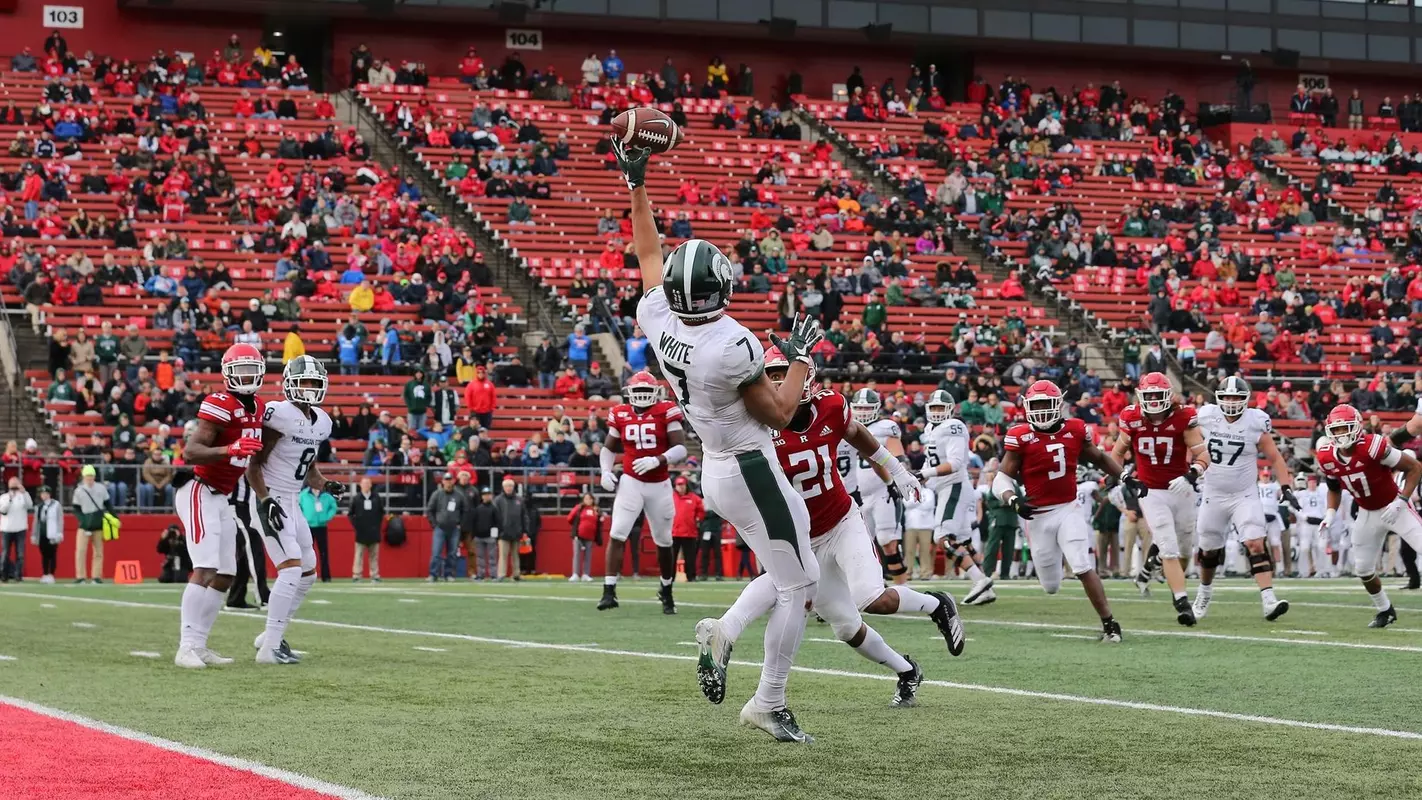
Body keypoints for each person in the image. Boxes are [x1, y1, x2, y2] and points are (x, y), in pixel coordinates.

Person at [615, 136, 820, 742]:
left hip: (717, 466)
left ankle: (726, 631)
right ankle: (769, 699)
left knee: (790, 568)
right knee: (802, 584)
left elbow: (648, 252)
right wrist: (802, 359)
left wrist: (637, 182)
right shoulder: (732, 345)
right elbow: (783, 414)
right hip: (751, 464)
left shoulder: (659, 320)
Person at [712, 346, 963, 709]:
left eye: (787, 374)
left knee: (871, 598)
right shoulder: (754, 426)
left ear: (806, 377)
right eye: (773, 376)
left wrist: (896, 470)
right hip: (801, 538)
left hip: (842, 521)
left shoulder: (830, 406)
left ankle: (936, 604)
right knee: (846, 627)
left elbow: (857, 433)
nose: (780, 383)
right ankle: (907, 670)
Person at [995, 380, 1129, 642]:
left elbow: (1100, 458)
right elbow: (1001, 479)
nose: (1043, 410)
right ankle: (1057, 582)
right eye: (1037, 405)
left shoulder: (1075, 429)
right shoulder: (1020, 435)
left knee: (1081, 564)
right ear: (1027, 406)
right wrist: (1013, 500)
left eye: (1047, 404)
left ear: (1059, 405)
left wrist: (1124, 476)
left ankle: (1110, 624)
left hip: (1069, 508)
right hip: (1037, 516)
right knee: (1051, 586)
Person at [173, 341, 267, 668]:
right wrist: (231, 449)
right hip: (198, 489)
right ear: (227, 373)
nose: (245, 376)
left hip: (221, 495)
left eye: (250, 370)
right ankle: (185, 646)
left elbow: (253, 463)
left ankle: (199, 644)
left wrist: (265, 498)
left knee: (227, 573)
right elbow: (191, 452)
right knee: (206, 568)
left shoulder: (257, 407)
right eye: (239, 370)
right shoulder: (219, 402)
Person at [245, 355, 341, 664]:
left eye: (315, 383)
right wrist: (265, 500)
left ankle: (271, 635)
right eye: (304, 382)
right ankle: (269, 649)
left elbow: (309, 469)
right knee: (290, 568)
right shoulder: (279, 415)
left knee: (308, 572)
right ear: (289, 384)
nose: (310, 388)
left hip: (292, 499)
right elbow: (254, 466)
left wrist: (326, 484)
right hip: (269, 497)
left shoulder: (322, 421)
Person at [1188, 376, 1293, 623]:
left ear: (1246, 399)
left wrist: (1286, 486)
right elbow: (1187, 441)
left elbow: (1275, 457)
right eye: (1227, 397)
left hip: (1244, 494)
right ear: (1218, 398)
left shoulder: (1255, 421)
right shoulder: (1205, 416)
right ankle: (1203, 594)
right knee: (1208, 550)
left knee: (1255, 542)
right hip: (1213, 493)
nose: (1232, 402)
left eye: (1236, 397)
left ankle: (1269, 600)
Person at [1112, 371, 1211, 626]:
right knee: (1168, 545)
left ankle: (1147, 569)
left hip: (1181, 489)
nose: (1154, 400)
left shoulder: (1183, 417)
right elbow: (1116, 454)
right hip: (1151, 491)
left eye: (1159, 395)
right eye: (1150, 395)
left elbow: (1203, 456)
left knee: (1186, 549)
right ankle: (1182, 603)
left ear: (1168, 396)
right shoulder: (1132, 418)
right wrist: (1124, 477)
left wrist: (1191, 475)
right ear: (1141, 396)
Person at [1317, 405, 1422, 627]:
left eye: (1345, 428)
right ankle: (1385, 609)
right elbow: (1334, 488)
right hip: (1367, 513)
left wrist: (1402, 501)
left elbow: (1414, 468)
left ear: (1357, 428)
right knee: (1363, 568)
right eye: (1336, 430)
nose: (1341, 434)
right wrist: (1330, 513)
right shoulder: (1326, 456)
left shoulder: (1373, 447)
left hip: (1395, 507)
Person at [597, 370, 688, 612]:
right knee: (617, 533)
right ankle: (609, 591)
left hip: (659, 483)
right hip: (631, 482)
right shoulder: (620, 413)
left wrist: (658, 459)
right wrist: (605, 471)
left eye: (647, 391)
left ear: (657, 393)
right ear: (629, 393)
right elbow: (608, 448)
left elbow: (681, 448)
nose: (642, 396)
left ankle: (666, 590)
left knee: (664, 540)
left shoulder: (666, 410)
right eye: (638, 391)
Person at [918, 390, 996, 603]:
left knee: (943, 539)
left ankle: (979, 579)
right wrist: (920, 477)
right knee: (962, 540)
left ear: (950, 410)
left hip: (953, 486)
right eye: (933, 408)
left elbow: (955, 464)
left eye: (940, 408)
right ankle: (985, 587)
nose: (936, 412)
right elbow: (931, 461)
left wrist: (926, 474)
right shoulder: (930, 429)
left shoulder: (953, 427)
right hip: (947, 487)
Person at [848, 388, 915, 586]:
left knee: (888, 541)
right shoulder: (845, 426)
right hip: (856, 494)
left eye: (867, 408)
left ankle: (903, 587)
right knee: (861, 545)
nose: (863, 411)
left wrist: (898, 478)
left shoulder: (886, 427)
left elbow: (899, 457)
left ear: (877, 408)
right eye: (859, 407)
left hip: (882, 492)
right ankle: (875, 585)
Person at [73, 465, 111, 585]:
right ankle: (81, 576)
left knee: (98, 551)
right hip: (84, 523)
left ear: (94, 477)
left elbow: (107, 503)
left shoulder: (101, 488)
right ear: (84, 477)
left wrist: (114, 516)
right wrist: (82, 520)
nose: (89, 479)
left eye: (91, 476)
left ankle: (96, 576)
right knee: (80, 550)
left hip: (97, 522)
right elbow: (76, 508)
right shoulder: (79, 490)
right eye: (87, 477)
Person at [425, 472, 467, 581]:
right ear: (442, 481)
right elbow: (429, 510)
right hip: (440, 528)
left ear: (453, 481)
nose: (448, 482)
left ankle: (449, 574)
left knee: (452, 553)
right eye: (446, 480)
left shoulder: (459, 495)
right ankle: (433, 574)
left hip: (454, 528)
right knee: (436, 552)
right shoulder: (437, 494)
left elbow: (465, 511)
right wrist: (434, 524)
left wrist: (460, 524)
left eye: (450, 480)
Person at [1292, 474, 1328, 579]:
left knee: (1321, 547)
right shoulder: (1302, 495)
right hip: (1307, 523)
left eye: (1313, 482)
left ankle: (1321, 571)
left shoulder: (1322, 494)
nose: (1312, 484)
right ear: (1307, 483)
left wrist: (1324, 518)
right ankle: (1303, 571)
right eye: (1310, 482)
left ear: (1316, 483)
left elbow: (1327, 507)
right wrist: (1305, 517)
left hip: (1319, 523)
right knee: (1304, 547)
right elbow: (1296, 508)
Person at [300, 483, 338, 582]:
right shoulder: (303, 495)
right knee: (307, 553)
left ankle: (326, 576)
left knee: (324, 553)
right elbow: (298, 507)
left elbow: (333, 507)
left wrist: (327, 517)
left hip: (322, 526)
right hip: (308, 527)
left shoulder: (327, 495)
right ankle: (306, 576)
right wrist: (304, 518)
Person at [348, 476, 384, 582]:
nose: (366, 485)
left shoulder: (376, 497)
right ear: (360, 485)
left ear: (371, 485)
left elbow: (381, 512)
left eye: (368, 483)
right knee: (358, 555)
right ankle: (356, 575)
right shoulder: (356, 498)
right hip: (361, 532)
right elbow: (351, 514)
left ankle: (375, 575)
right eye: (364, 483)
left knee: (374, 555)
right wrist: (357, 525)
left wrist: (377, 525)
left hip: (374, 531)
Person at [492, 478, 527, 581]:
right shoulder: (498, 500)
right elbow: (494, 517)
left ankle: (516, 574)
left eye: (511, 486)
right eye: (507, 486)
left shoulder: (519, 500)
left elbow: (524, 516)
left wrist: (525, 530)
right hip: (503, 532)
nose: (509, 488)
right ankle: (501, 574)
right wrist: (497, 532)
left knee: (516, 555)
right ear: (503, 487)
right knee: (503, 555)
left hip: (517, 532)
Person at [670, 477, 704, 582]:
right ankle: (669, 577)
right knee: (671, 557)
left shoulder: (694, 498)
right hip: (674, 532)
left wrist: (698, 519)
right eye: (679, 485)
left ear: (686, 485)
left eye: (682, 485)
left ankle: (691, 576)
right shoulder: (670, 497)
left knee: (690, 557)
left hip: (690, 532)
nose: (681, 487)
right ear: (675, 486)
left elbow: (701, 510)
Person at [0, 478, 32, 582]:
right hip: (6, 529)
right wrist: (10, 499)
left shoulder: (23, 496)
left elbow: (29, 505)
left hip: (20, 528)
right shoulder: (4, 497)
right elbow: (3, 510)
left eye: (16, 485)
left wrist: (24, 493)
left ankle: (18, 575)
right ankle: (4, 575)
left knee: (20, 554)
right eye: (12, 485)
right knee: (5, 553)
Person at [567, 492, 604, 582]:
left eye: (590, 499)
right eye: (586, 499)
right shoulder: (579, 508)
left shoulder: (596, 510)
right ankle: (575, 574)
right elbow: (569, 518)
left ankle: (586, 574)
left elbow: (600, 522)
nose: (588, 500)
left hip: (590, 536)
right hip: (578, 535)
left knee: (588, 555)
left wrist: (600, 517)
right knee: (577, 554)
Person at [30, 484, 63, 583]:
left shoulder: (56, 505)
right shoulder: (39, 507)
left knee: (52, 554)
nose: (44, 495)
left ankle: (51, 574)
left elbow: (60, 519)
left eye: (46, 493)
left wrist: (59, 532)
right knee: (44, 554)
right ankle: (45, 573)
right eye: (42, 494)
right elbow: (36, 521)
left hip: (53, 532)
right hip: (42, 533)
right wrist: (34, 534)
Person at [471, 487, 497, 580]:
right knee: (479, 557)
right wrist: (474, 535)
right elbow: (474, 522)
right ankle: (480, 574)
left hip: (490, 537)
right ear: (482, 497)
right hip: (479, 536)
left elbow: (497, 522)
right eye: (485, 495)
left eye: (488, 495)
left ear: (491, 496)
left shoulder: (494, 509)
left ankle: (493, 574)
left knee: (492, 557)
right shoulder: (478, 509)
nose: (487, 497)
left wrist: (494, 536)